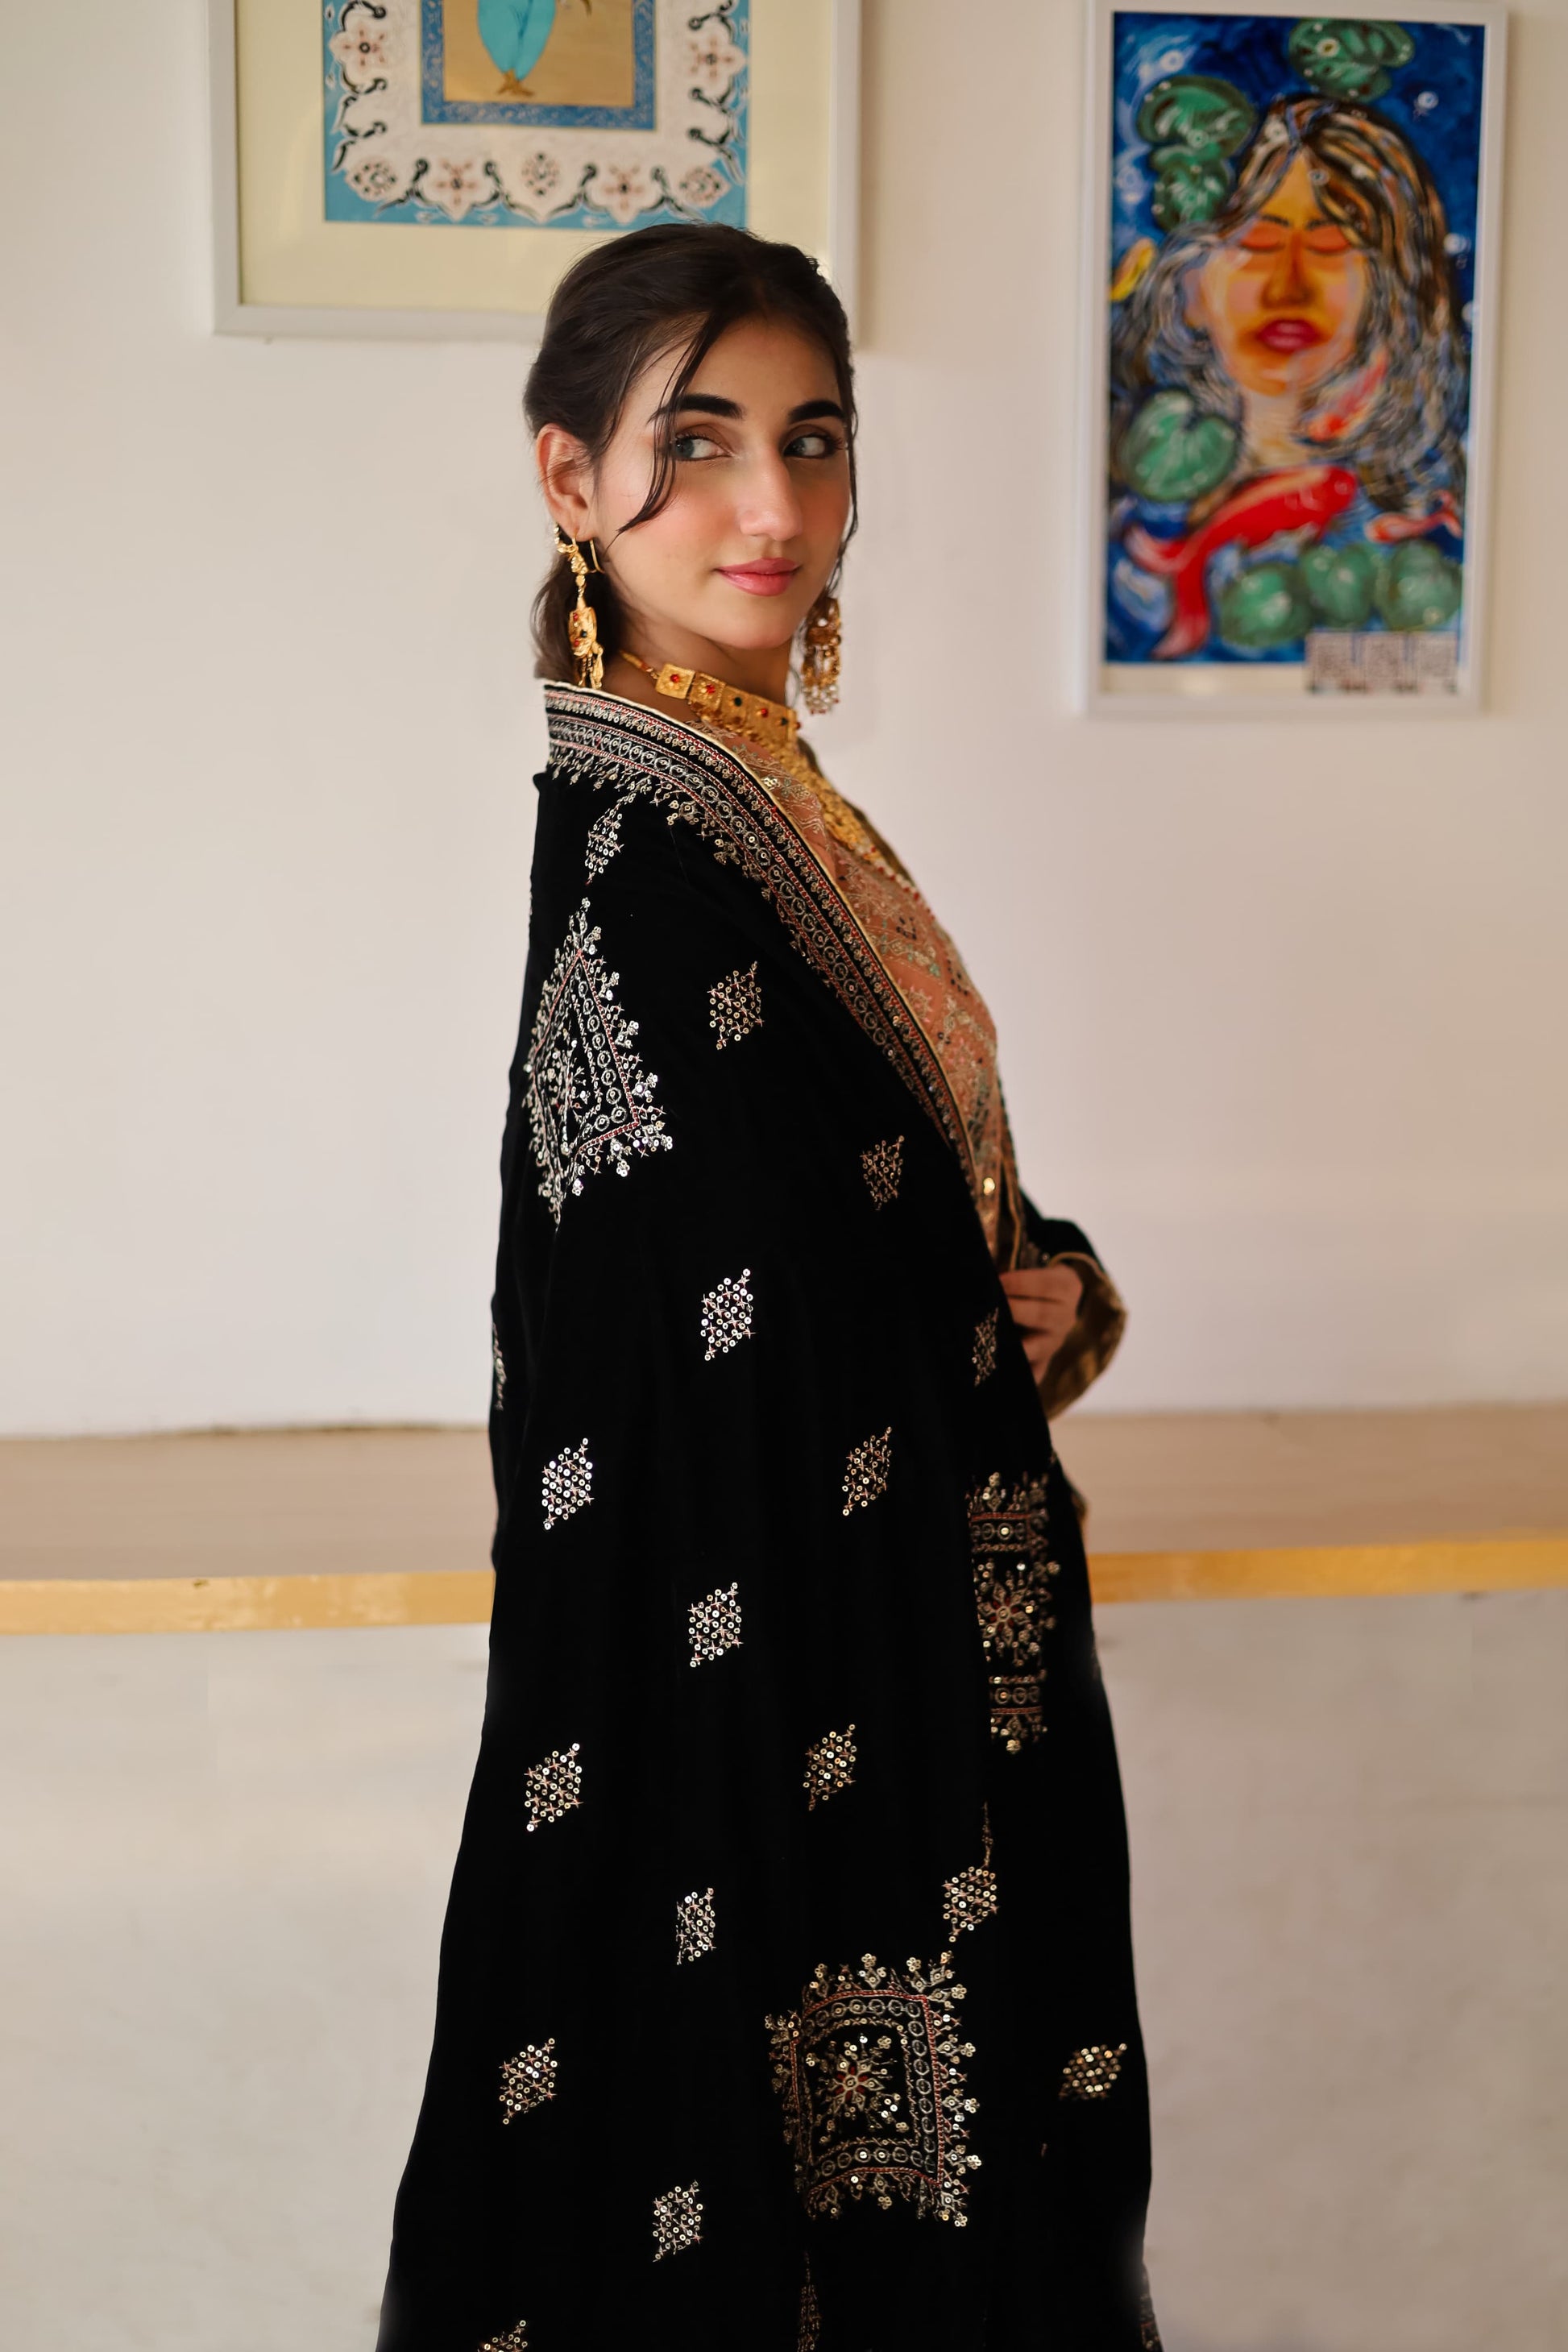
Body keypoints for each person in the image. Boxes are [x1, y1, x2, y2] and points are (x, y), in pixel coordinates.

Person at [378, 222, 1157, 2352]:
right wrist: (960, 1313)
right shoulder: (655, 853)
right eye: (701, 441)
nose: (773, 506)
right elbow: (703, 1315)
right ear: (570, 477)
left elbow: (894, 1202)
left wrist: (1043, 1291)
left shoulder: (761, 796)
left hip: (882, 1647)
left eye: (813, 441)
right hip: (789, 1697)